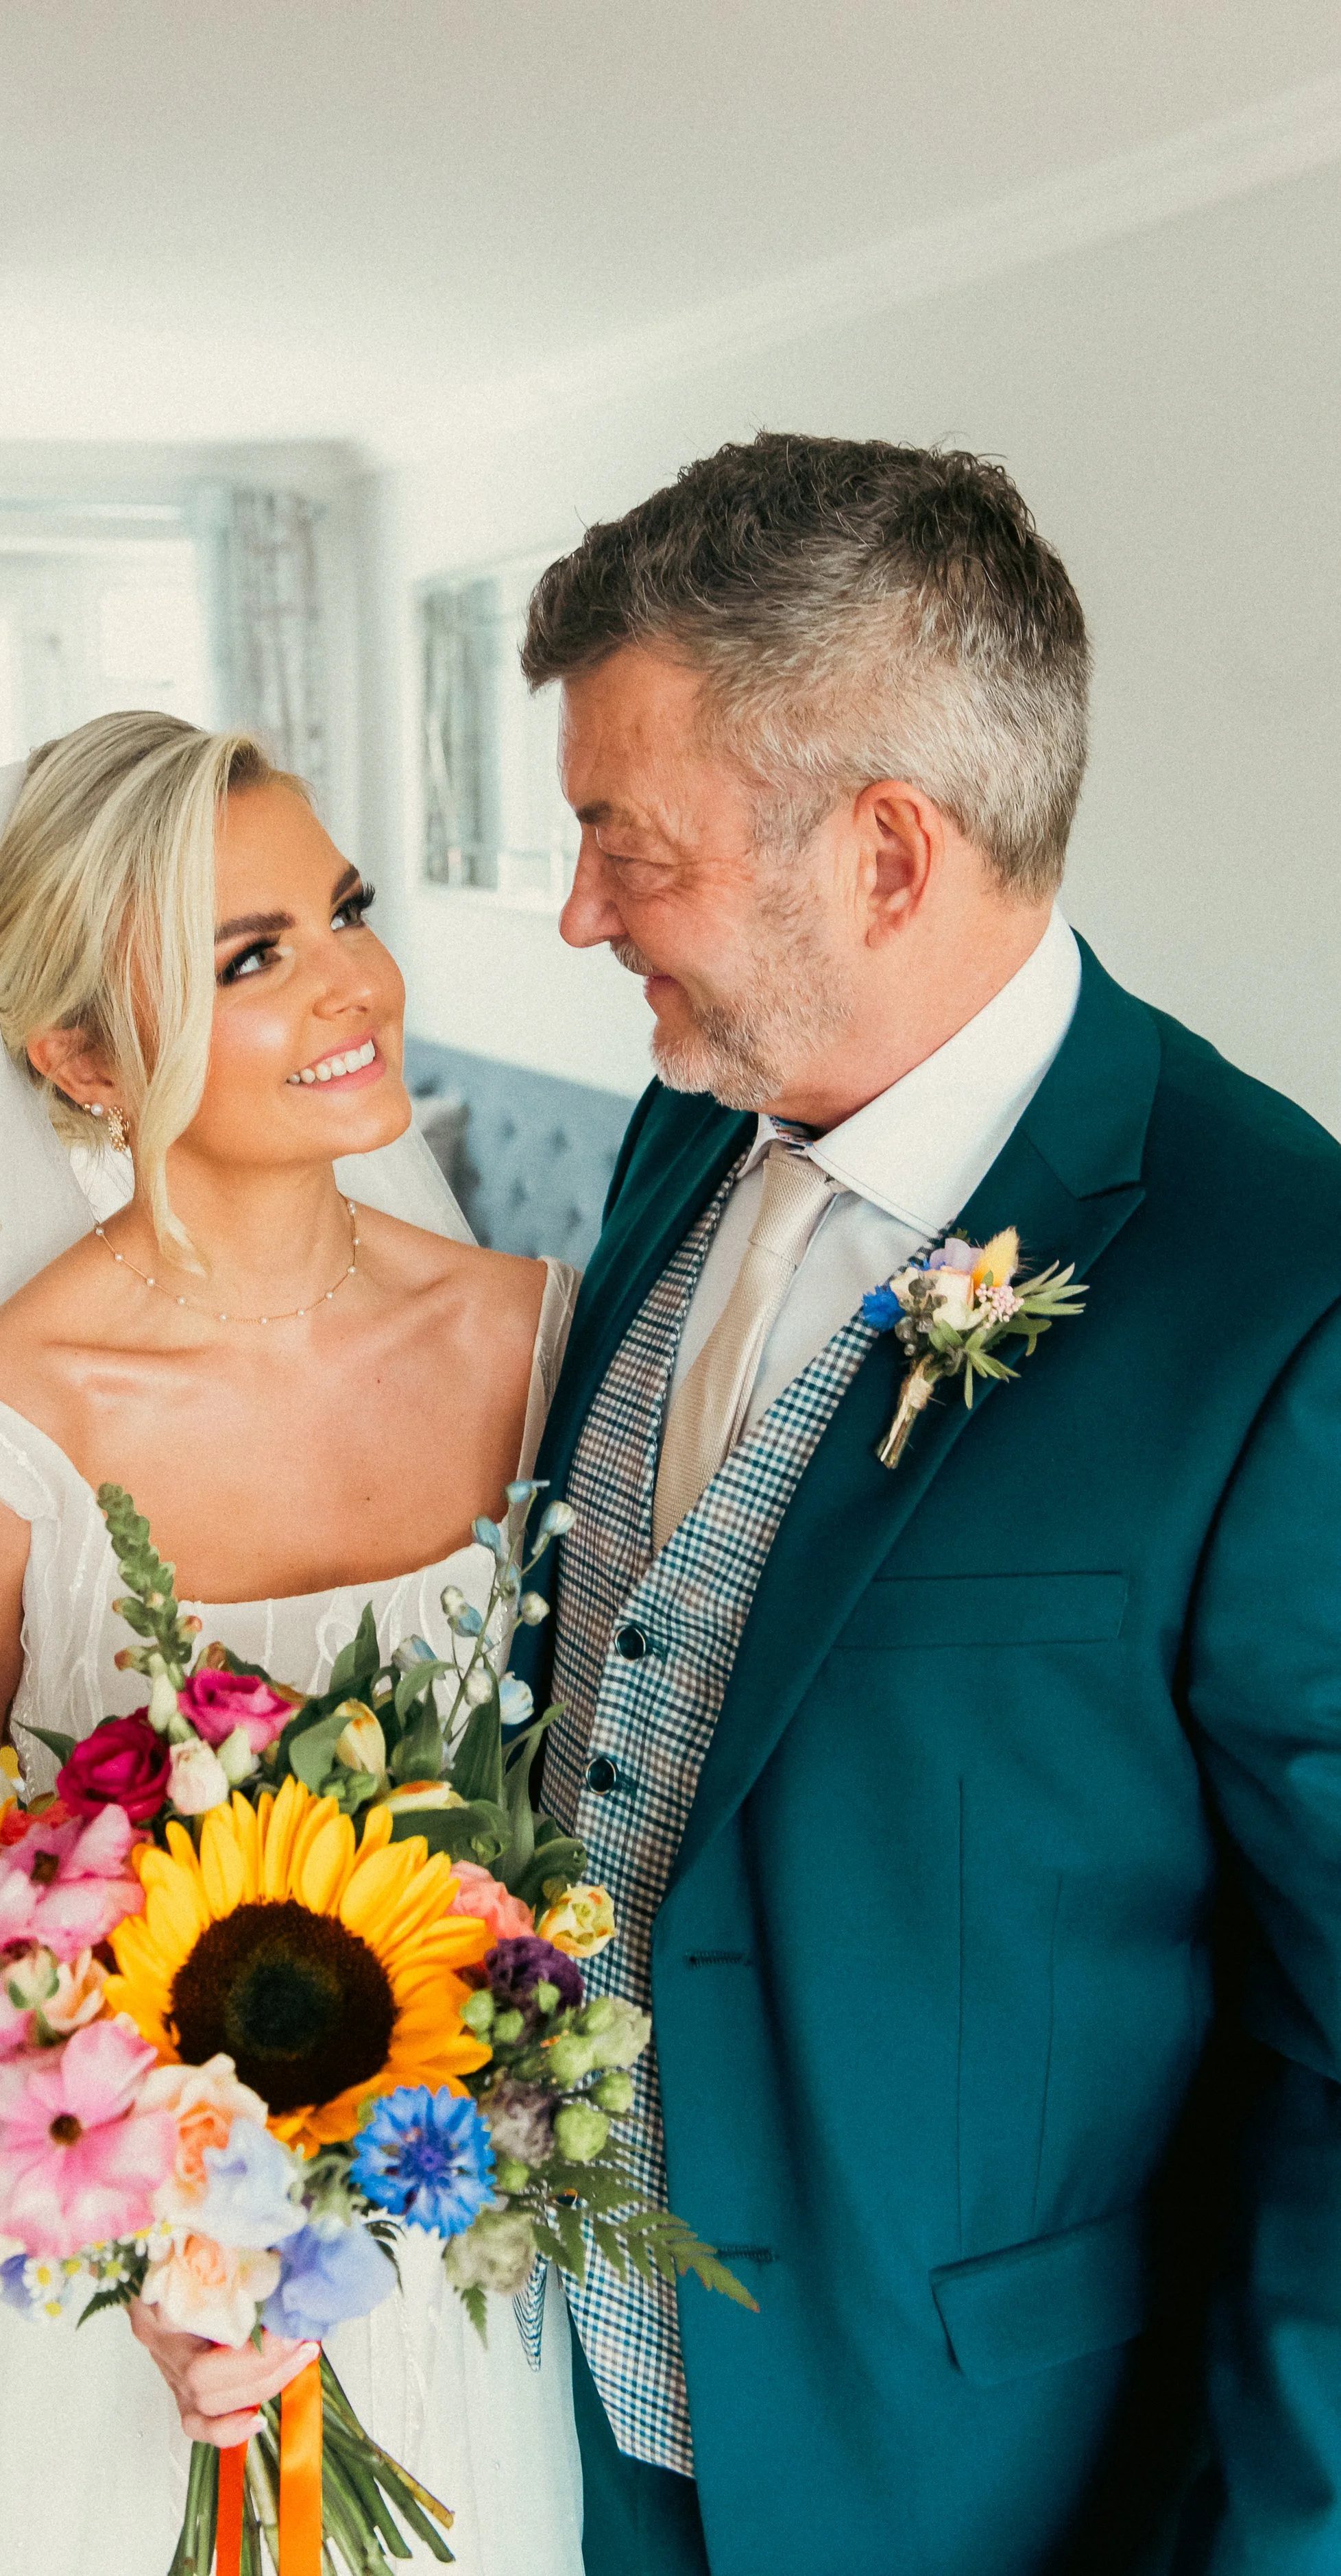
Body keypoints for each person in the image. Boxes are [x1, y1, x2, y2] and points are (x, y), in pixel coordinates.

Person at [516, 434, 1341, 2575]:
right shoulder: (676, 1132)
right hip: (542, 2408)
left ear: (882, 854)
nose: (576, 908)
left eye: (627, 838)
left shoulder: (1282, 1295)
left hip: (958, 2478)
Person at [0, 714, 585, 2576]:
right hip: (91, 2327)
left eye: (340, 908)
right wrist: (152, 2259)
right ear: (79, 1056)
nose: (353, 982)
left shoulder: (543, 1343)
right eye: (251, 956)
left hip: (453, 2253)